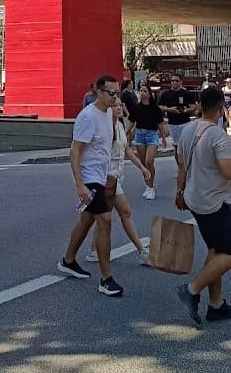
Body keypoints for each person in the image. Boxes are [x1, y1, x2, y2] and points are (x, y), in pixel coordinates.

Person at [175, 86, 231, 327]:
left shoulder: (187, 130)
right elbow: (230, 171)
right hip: (215, 201)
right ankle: (192, 288)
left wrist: (179, 192)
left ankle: (216, 304)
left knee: (215, 250)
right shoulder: (217, 135)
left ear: (200, 106)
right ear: (221, 109)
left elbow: (181, 166)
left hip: (194, 199)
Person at [57, 74, 125, 297]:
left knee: (87, 220)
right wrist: (80, 185)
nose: (115, 97)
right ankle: (106, 279)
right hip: (88, 178)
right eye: (111, 93)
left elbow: (103, 148)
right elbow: (75, 151)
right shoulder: (87, 117)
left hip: (100, 175)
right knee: (105, 220)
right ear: (98, 91)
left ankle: (68, 260)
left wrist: (108, 174)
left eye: (118, 92)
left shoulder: (108, 114)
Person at [86, 97, 152, 263]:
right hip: (106, 178)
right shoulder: (104, 128)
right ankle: (142, 250)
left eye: (120, 105)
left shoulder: (120, 126)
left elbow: (127, 149)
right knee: (125, 212)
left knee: (100, 216)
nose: (118, 108)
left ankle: (92, 251)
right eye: (114, 105)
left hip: (116, 177)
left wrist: (142, 168)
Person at [128, 84, 164, 200]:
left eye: (145, 91)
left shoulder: (155, 108)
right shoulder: (136, 108)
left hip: (152, 135)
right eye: (141, 91)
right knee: (143, 163)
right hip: (139, 135)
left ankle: (151, 187)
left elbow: (160, 124)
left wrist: (163, 137)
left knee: (149, 161)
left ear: (149, 94)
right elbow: (131, 122)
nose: (142, 93)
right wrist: (125, 133)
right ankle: (148, 186)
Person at [159, 76, 198, 157]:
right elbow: (160, 107)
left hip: (185, 122)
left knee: (186, 144)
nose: (174, 82)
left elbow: (193, 106)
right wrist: (169, 109)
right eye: (172, 81)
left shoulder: (186, 93)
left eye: (176, 81)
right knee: (177, 145)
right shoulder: (166, 94)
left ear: (180, 82)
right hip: (173, 123)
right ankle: (180, 165)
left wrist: (187, 110)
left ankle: (187, 163)